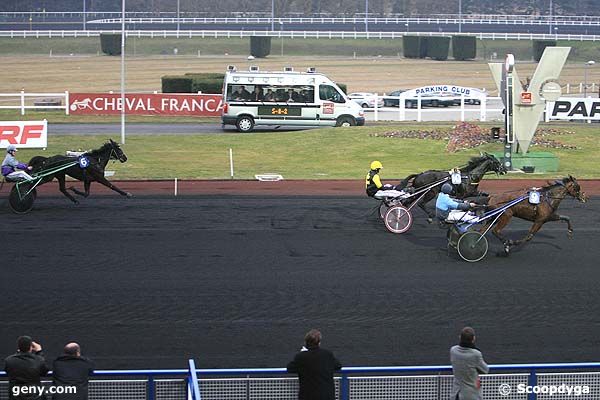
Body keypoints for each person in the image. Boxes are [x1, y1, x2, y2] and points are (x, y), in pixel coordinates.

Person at [287, 329, 341, 400]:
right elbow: (338, 366)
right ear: (319, 342)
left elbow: (290, 368)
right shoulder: (327, 354)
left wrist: (303, 352)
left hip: (308, 396)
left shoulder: (301, 357)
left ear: (306, 342)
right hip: (326, 396)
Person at [4, 336, 49, 400]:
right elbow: (44, 371)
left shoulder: (9, 360)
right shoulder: (39, 360)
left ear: (18, 347)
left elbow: (8, 370)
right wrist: (39, 352)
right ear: (31, 347)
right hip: (35, 397)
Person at [450, 327, 489, 400]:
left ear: (460, 337)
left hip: (456, 394)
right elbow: (485, 370)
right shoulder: (476, 354)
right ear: (473, 339)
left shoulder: (453, 350)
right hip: (471, 395)